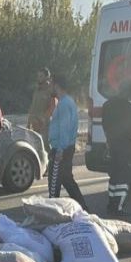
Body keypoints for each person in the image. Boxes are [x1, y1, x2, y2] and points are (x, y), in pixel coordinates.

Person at [102, 92, 131, 215]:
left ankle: (111, 204)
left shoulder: (107, 105)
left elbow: (105, 126)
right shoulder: (128, 107)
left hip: (113, 145)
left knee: (114, 176)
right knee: (124, 177)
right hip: (126, 147)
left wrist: (108, 141)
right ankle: (118, 207)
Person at [47, 78, 85, 206]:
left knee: (54, 183)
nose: (50, 88)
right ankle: (84, 209)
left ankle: (53, 211)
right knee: (67, 180)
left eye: (51, 85)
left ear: (57, 86)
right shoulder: (67, 101)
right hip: (66, 147)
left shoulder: (64, 104)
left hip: (61, 149)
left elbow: (64, 128)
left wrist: (60, 150)